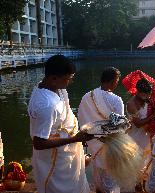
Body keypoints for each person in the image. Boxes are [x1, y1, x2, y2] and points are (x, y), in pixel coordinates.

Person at [28, 55, 93, 193]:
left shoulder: (56, 88)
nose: (70, 82)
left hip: (66, 153)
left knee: (75, 185)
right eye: (68, 79)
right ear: (53, 79)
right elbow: (39, 143)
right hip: (54, 161)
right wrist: (75, 139)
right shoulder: (46, 105)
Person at [78, 67, 123, 193]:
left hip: (93, 142)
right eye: (117, 80)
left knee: (98, 174)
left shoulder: (87, 96)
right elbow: (119, 126)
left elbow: (81, 118)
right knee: (111, 178)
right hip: (110, 145)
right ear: (114, 80)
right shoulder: (116, 100)